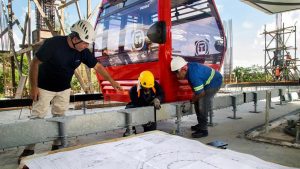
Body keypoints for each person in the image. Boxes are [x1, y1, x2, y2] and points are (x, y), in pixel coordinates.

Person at [18, 20, 122, 163]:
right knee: (37, 117)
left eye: (88, 43)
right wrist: (33, 87)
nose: (86, 46)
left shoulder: (83, 51)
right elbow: (35, 62)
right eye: (85, 43)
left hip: (64, 89)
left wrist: (112, 81)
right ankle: (29, 149)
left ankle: (56, 146)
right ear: (75, 38)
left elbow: (97, 66)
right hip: (44, 87)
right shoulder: (53, 44)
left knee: (60, 116)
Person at [170, 56, 222, 138]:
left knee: (202, 103)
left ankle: (204, 130)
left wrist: (190, 102)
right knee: (197, 101)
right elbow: (197, 91)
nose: (176, 76)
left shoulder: (193, 74)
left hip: (215, 82)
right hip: (208, 82)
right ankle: (201, 124)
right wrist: (193, 100)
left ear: (183, 69)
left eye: (177, 72)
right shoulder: (188, 69)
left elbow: (201, 94)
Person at [124, 70, 164, 134]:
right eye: (146, 88)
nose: (148, 89)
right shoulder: (133, 91)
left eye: (149, 88)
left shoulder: (154, 84)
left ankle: (149, 127)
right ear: (140, 83)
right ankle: (131, 129)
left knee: (150, 133)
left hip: (150, 110)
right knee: (128, 108)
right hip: (140, 108)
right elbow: (138, 104)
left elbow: (161, 93)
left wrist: (157, 99)